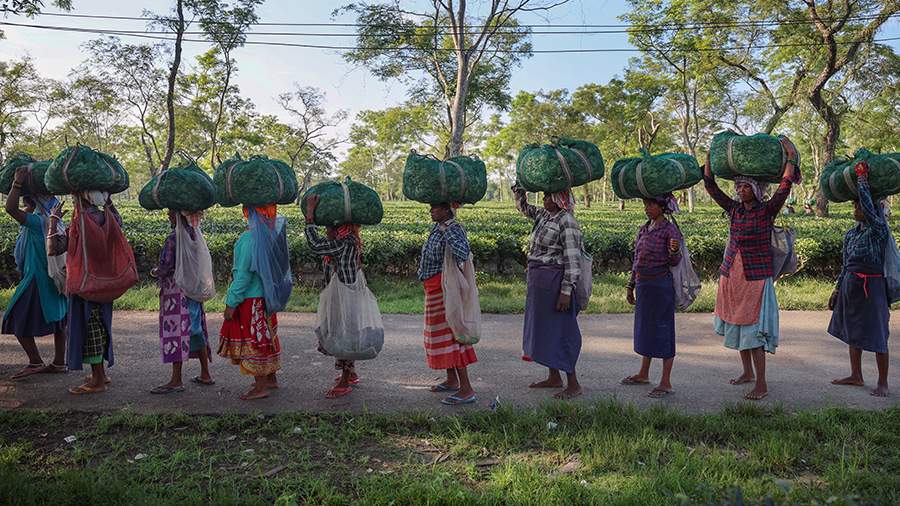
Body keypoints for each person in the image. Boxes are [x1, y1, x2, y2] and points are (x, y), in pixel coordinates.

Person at [703, 139, 798, 401]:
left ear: (756, 190)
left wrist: (790, 157)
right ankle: (747, 373)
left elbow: (784, 187)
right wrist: (709, 159)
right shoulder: (734, 210)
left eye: (746, 186)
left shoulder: (767, 211)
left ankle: (762, 384)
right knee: (737, 323)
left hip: (756, 277)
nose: (741, 190)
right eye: (739, 186)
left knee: (754, 331)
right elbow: (711, 188)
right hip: (732, 274)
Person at [514, 186, 584, 399]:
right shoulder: (545, 216)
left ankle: (573, 384)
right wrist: (519, 190)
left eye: (548, 196)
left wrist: (566, 291)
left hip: (555, 283)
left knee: (561, 331)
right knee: (544, 330)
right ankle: (554, 376)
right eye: (544, 196)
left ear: (559, 199)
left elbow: (573, 260)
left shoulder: (567, 222)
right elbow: (524, 208)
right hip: (539, 282)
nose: (544, 199)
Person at [48, 191, 120, 395]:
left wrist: (53, 220)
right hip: (106, 282)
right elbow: (118, 221)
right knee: (101, 325)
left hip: (85, 284)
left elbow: (53, 249)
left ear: (81, 200)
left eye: (74, 199)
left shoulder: (80, 225)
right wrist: (109, 200)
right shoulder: (109, 218)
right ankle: (101, 374)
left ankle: (97, 379)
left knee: (90, 329)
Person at [828, 161, 890, 397]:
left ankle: (882, 382)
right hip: (850, 285)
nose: (855, 208)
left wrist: (862, 180)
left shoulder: (879, 230)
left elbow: (868, 205)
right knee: (853, 330)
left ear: (871, 209)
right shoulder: (852, 234)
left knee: (877, 333)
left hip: (872, 287)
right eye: (854, 204)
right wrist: (836, 290)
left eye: (858, 205)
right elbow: (845, 264)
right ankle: (856, 375)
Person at [2, 166, 67, 380]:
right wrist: (29, 205)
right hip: (53, 280)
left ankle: (35, 361)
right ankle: (59, 362)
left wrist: (17, 183)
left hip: (36, 279)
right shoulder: (55, 222)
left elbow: (10, 209)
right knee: (59, 321)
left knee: (14, 317)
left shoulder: (39, 222)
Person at [217, 205, 284, 400]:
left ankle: (260, 386)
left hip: (251, 300)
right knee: (266, 338)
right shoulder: (269, 237)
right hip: (267, 299)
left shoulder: (248, 239)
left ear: (248, 214)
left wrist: (231, 303)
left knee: (255, 341)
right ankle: (270, 378)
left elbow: (243, 276)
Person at [417, 202, 477, 405]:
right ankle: (452, 380)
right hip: (434, 288)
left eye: (435, 208)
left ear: (447, 210)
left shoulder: (454, 228)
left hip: (446, 290)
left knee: (453, 337)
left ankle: (466, 389)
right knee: (441, 337)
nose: (431, 210)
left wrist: (447, 231)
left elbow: (463, 254)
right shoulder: (438, 227)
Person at [304, 194, 363, 399]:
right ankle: (351, 373)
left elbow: (315, 245)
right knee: (342, 331)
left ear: (338, 229)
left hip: (344, 296)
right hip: (343, 294)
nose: (326, 231)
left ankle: (346, 380)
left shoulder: (344, 242)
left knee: (344, 334)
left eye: (329, 228)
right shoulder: (347, 240)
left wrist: (310, 215)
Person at [623, 193, 682, 398]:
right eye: (645, 204)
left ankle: (666, 381)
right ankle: (643, 373)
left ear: (661, 207)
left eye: (650, 205)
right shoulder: (644, 229)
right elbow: (636, 259)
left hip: (660, 286)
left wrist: (674, 252)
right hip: (644, 285)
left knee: (663, 330)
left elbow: (675, 261)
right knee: (646, 329)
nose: (647, 208)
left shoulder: (670, 230)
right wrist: (630, 286)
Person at [149, 210, 213, 394]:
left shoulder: (173, 239)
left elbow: (165, 266)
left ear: (178, 216)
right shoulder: (194, 235)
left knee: (176, 334)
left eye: (171, 213)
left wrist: (155, 271)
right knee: (195, 330)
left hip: (176, 294)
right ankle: (205, 373)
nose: (168, 216)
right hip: (193, 290)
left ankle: (176, 380)